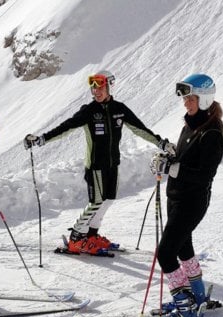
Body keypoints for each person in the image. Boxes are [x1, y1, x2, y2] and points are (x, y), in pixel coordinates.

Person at [23, 70, 173, 255]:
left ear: (109, 86)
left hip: (113, 164)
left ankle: (92, 236)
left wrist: (161, 143)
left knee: (108, 200)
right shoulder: (89, 111)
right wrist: (42, 139)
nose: (96, 91)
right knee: (96, 202)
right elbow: (67, 127)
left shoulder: (120, 109)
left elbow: (140, 129)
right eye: (93, 87)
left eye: (100, 86)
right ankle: (76, 239)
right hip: (95, 165)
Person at [145, 74, 223, 317]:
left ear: (204, 99)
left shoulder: (213, 131)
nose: (186, 103)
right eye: (185, 98)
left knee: (166, 253)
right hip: (177, 197)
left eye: (191, 98)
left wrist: (174, 168)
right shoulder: (190, 124)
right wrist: (169, 156)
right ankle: (197, 296)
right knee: (183, 248)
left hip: (192, 200)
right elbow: (184, 159)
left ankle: (185, 309)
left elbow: (205, 174)